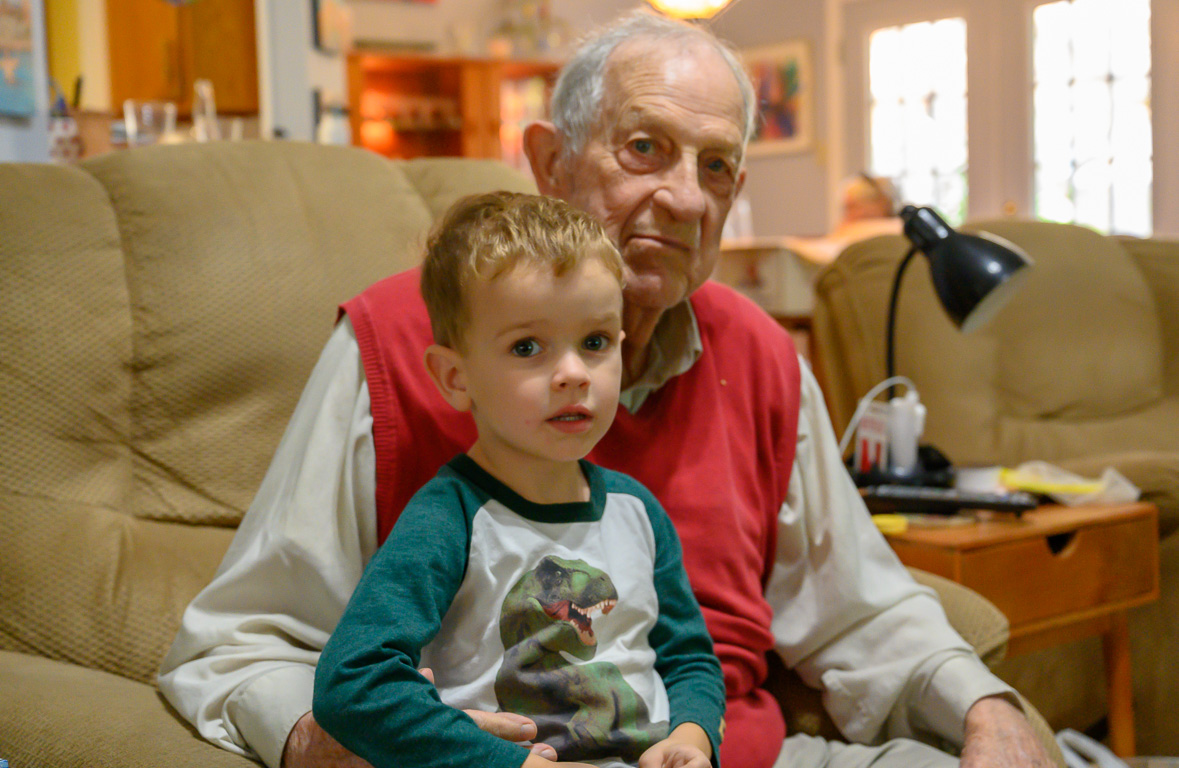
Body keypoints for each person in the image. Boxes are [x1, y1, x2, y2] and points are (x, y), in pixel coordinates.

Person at [159, 10, 1054, 768]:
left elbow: (855, 606)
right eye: (644, 148)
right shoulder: (398, 344)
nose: (683, 196)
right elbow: (241, 641)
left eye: (714, 168)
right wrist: (340, 745)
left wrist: (983, 707)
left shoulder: (762, 356)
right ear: (550, 162)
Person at [311, 191, 724, 768]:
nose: (574, 373)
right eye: (527, 347)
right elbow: (352, 683)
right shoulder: (449, 517)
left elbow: (689, 659)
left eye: (596, 342)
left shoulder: (639, 513)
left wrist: (690, 740)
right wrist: (500, 762)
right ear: (455, 377)